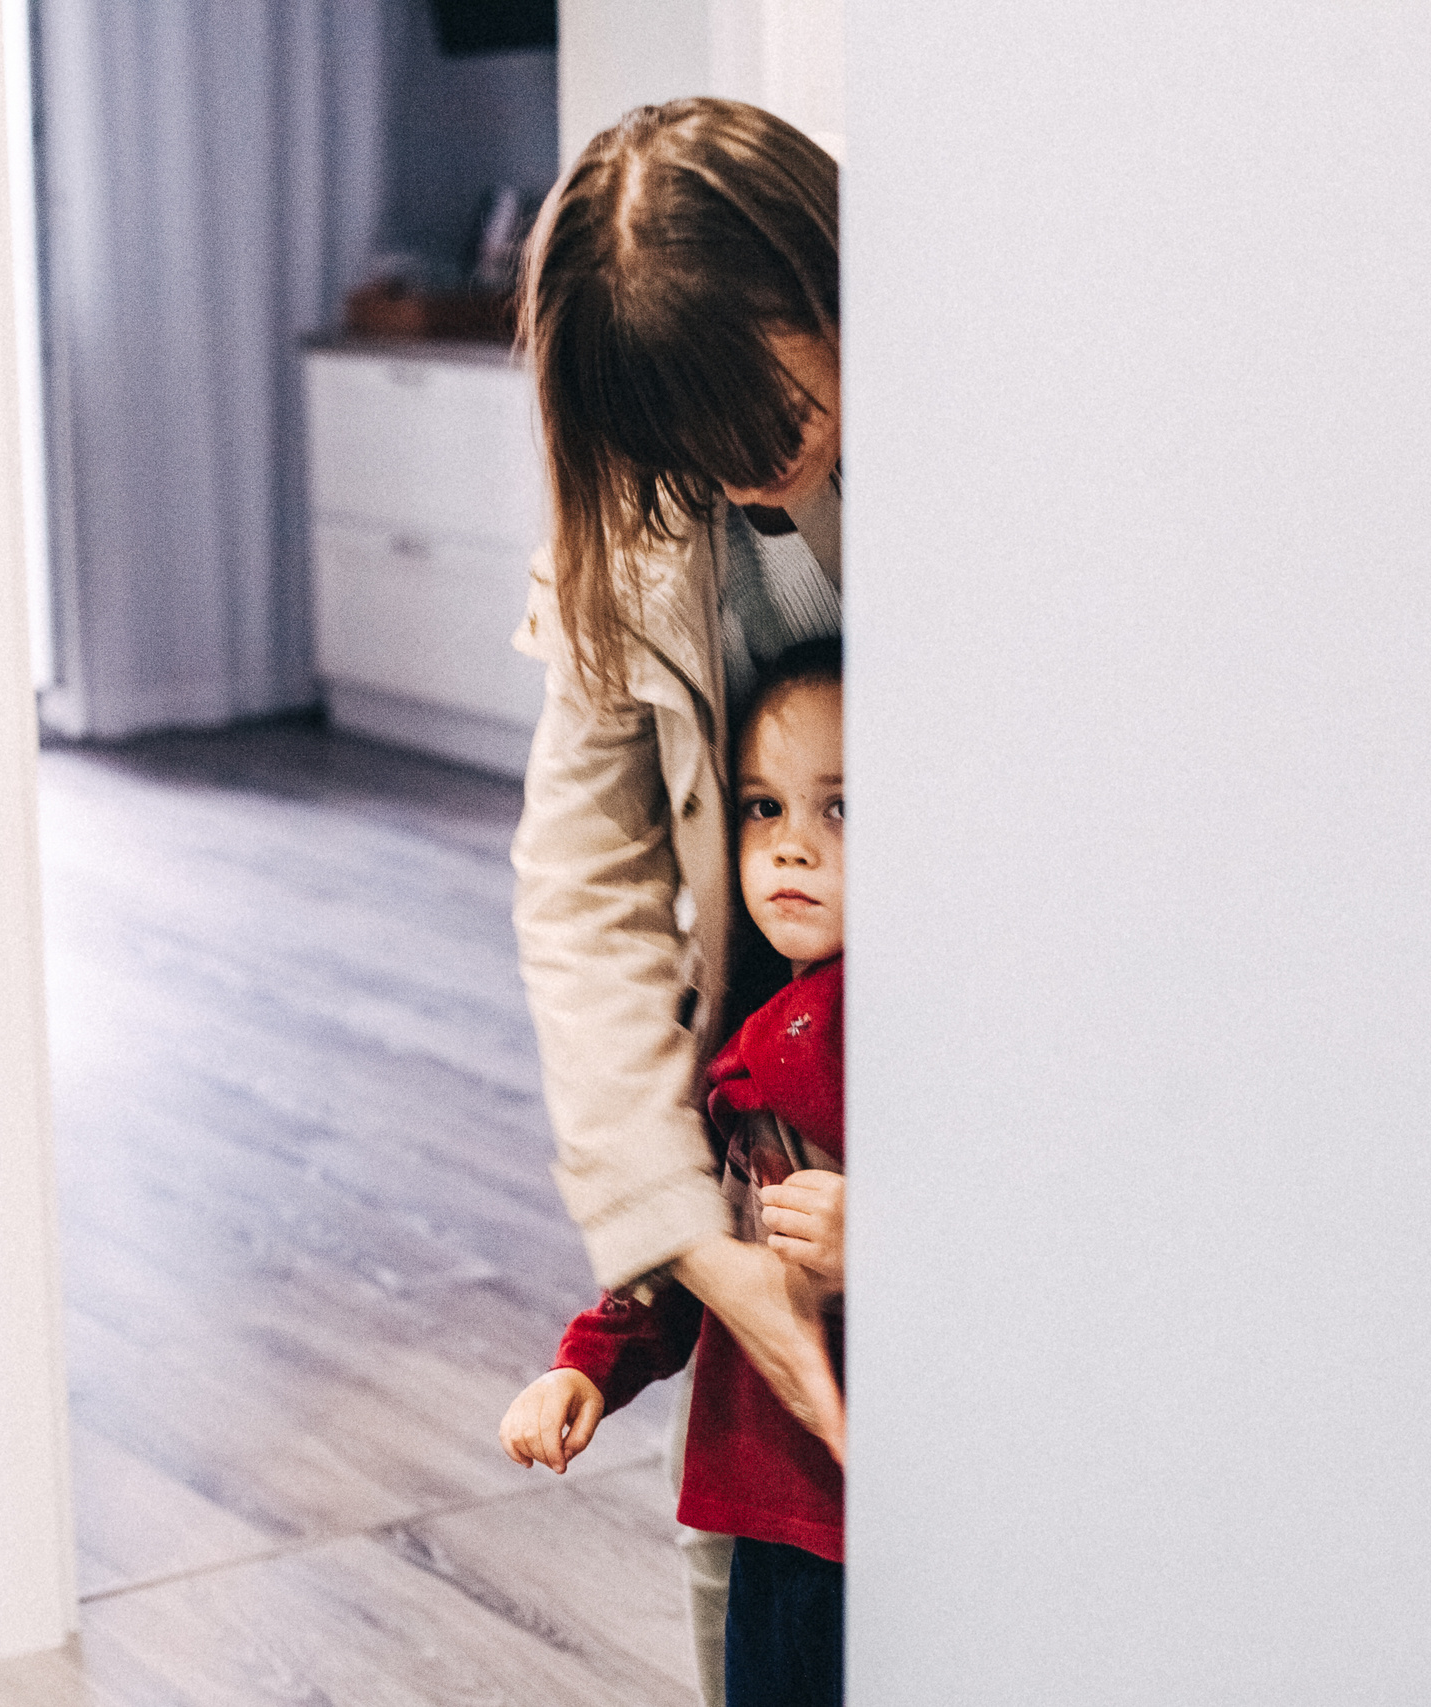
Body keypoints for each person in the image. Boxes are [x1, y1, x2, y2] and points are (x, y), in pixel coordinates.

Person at [510, 98, 843, 1699]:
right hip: (770, 1127)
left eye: (771, 399)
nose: (749, 460)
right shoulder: (633, 515)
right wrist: (690, 1247)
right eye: (696, 439)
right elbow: (585, 880)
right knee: (770, 1595)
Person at [503, 642, 848, 1707]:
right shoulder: (745, 1027)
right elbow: (690, 1231)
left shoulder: (908, 1029)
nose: (790, 846)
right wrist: (588, 1369)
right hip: (770, 1509)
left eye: (841, 811)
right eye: (760, 808)